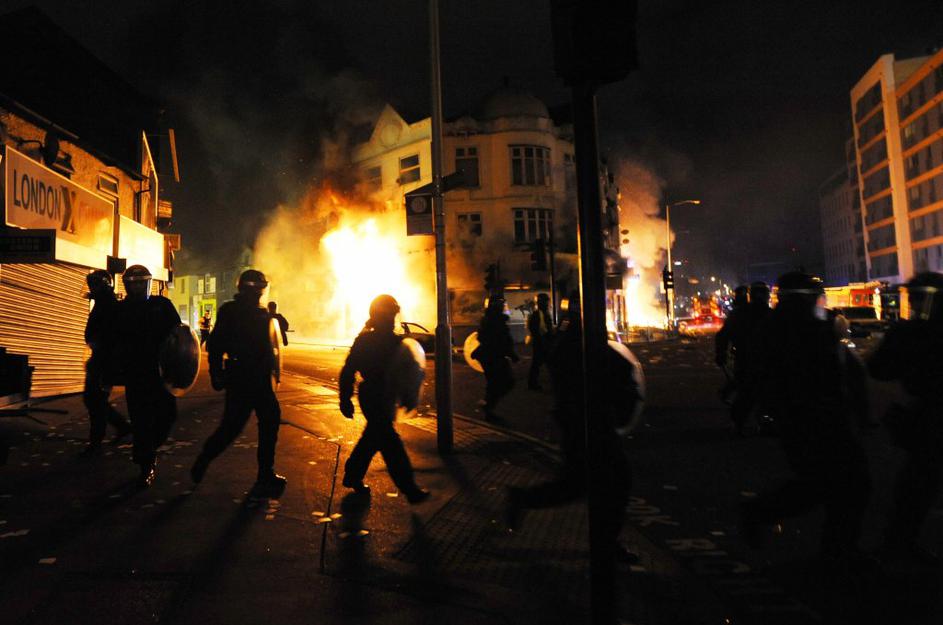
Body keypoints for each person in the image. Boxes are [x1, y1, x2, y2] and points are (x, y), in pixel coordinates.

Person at [741, 272, 871, 562]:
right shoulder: (810, 329)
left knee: (829, 483)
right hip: (819, 418)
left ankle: (837, 548)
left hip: (802, 419)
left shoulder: (775, 328)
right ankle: (836, 549)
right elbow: (846, 372)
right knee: (842, 483)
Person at [506, 291, 636, 557]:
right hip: (589, 420)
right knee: (612, 482)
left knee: (579, 483)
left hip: (577, 418)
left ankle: (524, 499)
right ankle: (605, 544)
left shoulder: (569, 334)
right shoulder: (582, 335)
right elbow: (616, 367)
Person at [868, 271, 943, 563]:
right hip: (929, 414)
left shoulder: (908, 332)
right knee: (921, 479)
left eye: (914, 298)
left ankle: (899, 540)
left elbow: (879, 368)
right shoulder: (914, 332)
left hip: (924, 412)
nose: (910, 303)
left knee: (918, 479)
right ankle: (900, 541)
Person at [191, 270, 286, 498]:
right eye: (257, 289)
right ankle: (205, 458)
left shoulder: (262, 313)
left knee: (270, 421)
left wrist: (273, 370)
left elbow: (270, 347)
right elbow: (216, 345)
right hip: (241, 376)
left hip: (259, 378)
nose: (259, 293)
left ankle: (265, 473)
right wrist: (216, 373)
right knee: (232, 427)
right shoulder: (231, 312)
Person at [338, 294, 429, 503]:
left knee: (372, 438)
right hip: (373, 395)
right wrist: (345, 398)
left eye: (392, 315)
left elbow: (408, 370)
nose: (391, 320)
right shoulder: (368, 340)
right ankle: (409, 489)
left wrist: (407, 394)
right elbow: (349, 369)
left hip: (384, 394)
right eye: (388, 315)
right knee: (390, 442)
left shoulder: (392, 340)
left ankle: (353, 475)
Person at [113, 265, 180, 487]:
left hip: (161, 372)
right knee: (141, 420)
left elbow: (178, 334)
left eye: (142, 282)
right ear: (127, 285)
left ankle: (150, 448)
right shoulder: (121, 310)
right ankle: (145, 462)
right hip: (136, 373)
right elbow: (114, 342)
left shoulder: (162, 305)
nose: (139, 287)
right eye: (134, 283)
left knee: (168, 415)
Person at [80, 270, 131, 456]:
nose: (90, 288)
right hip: (100, 360)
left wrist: (104, 359)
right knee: (95, 400)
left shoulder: (108, 305)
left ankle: (96, 442)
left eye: (93, 284)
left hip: (104, 361)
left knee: (95, 400)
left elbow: (112, 336)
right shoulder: (104, 303)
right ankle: (121, 427)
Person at [715, 282, 772, 434]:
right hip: (762, 360)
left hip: (746, 359)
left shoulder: (739, 314)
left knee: (746, 393)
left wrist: (721, 354)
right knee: (759, 392)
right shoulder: (771, 315)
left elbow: (722, 336)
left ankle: (739, 422)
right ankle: (759, 421)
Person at [474, 297, 519, 422]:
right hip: (493, 356)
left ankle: (488, 407)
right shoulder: (495, 321)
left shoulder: (491, 319)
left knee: (495, 382)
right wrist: (511, 354)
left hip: (491, 356)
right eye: (501, 305)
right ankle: (488, 407)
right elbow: (500, 340)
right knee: (505, 381)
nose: (504, 308)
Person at [526, 293, 554, 390]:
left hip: (541, 343)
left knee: (538, 364)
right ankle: (532, 383)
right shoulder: (540, 314)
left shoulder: (540, 313)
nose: (547, 303)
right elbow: (541, 330)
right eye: (546, 301)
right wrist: (547, 340)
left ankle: (532, 383)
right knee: (541, 364)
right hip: (542, 343)